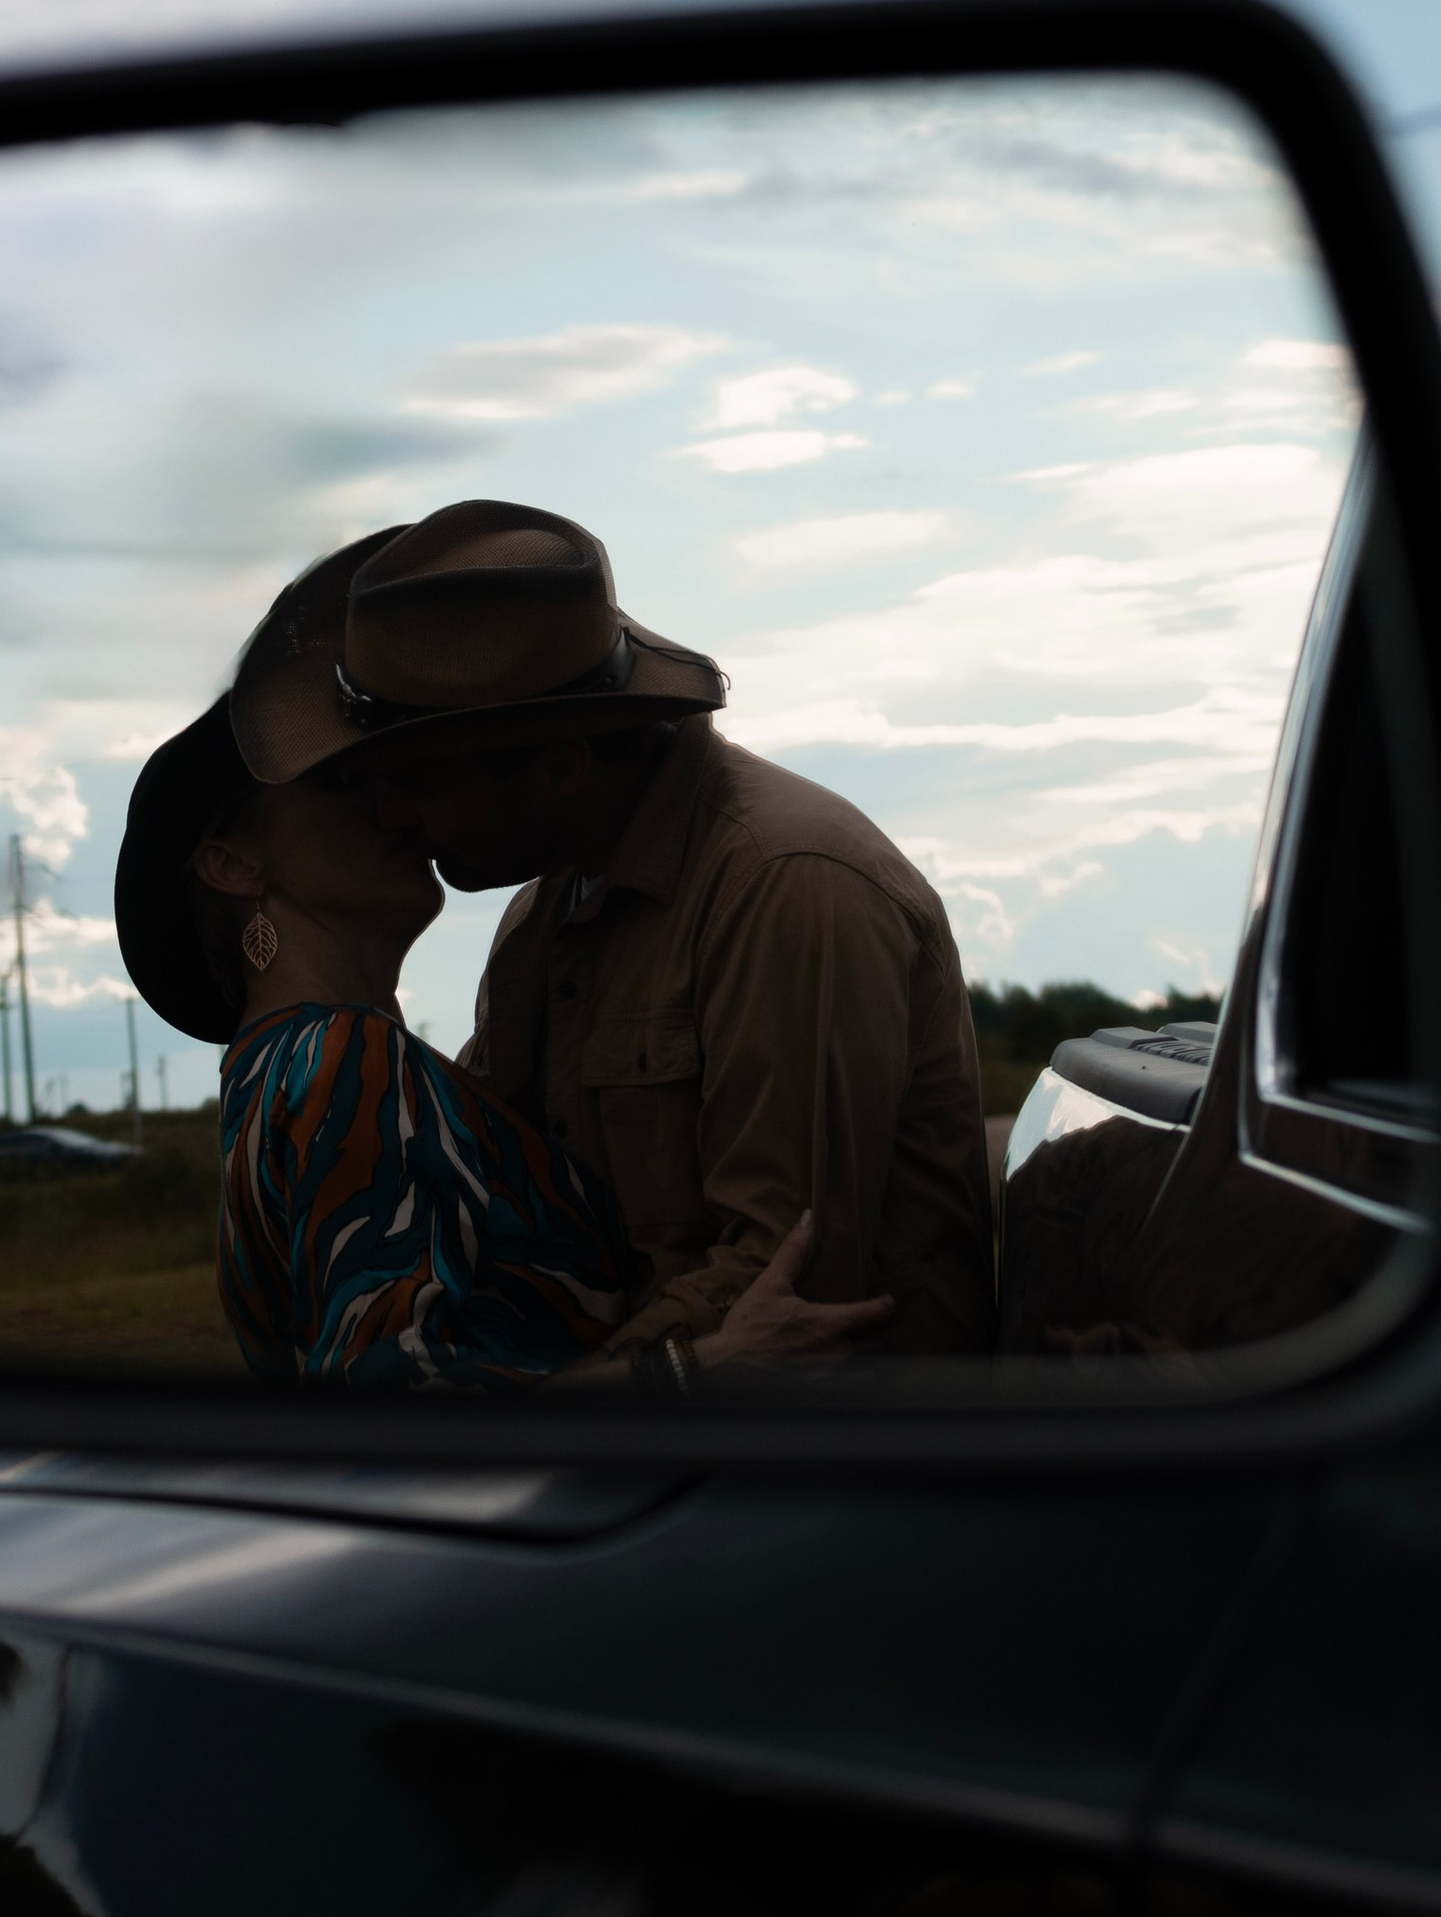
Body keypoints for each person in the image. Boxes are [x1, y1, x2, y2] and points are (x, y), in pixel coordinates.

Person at [242, 497, 996, 1369]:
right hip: (666, 1465)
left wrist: (553, 1422)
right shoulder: (546, 916)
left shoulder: (787, 888)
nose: (386, 816)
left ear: (562, 767)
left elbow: (786, 1284)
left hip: (841, 1475)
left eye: (412, 780)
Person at [114, 598, 893, 1394]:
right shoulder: (349, 1059)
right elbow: (407, 1413)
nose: (390, 805)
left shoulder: (274, 1069)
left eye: (395, 773)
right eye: (344, 784)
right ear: (235, 866)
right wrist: (693, 1371)